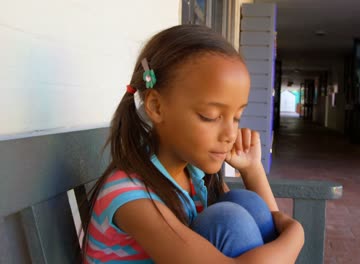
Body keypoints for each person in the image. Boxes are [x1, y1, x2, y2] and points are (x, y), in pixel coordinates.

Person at [82, 24, 304, 264]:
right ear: (157, 107)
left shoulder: (192, 176)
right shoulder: (130, 195)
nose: (230, 133)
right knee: (229, 219)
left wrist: (252, 169)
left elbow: (268, 224)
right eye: (210, 116)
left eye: (237, 117)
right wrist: (296, 233)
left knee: (245, 202)